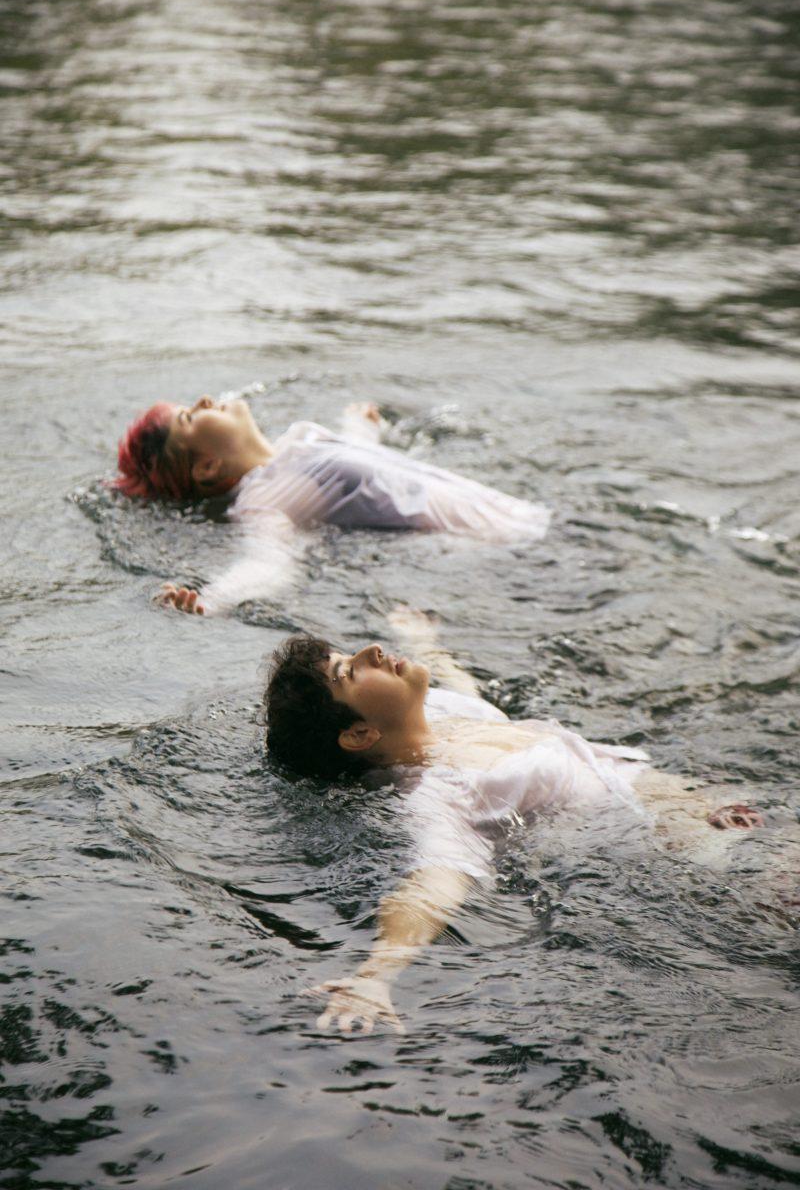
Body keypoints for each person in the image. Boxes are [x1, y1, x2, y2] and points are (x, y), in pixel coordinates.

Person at [264, 609, 764, 1036]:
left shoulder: (440, 710)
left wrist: (425, 642)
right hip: (694, 858)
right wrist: (377, 974)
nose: (372, 650)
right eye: (349, 673)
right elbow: (433, 883)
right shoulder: (439, 795)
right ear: (358, 735)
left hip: (706, 805)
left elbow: (464, 688)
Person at [114, 396, 550, 615]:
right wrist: (211, 600)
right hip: (501, 553)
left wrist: (359, 428)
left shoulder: (300, 438)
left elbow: (356, 468)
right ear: (207, 467)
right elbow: (270, 563)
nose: (205, 400)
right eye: (190, 417)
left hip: (518, 518)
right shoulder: (264, 498)